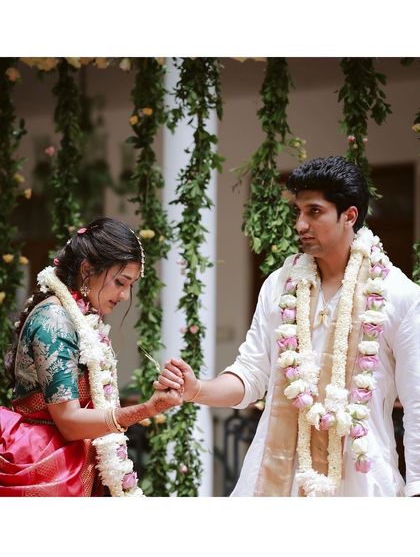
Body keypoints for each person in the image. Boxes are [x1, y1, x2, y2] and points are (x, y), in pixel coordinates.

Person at [156, 156, 420, 497]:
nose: (300, 224)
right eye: (297, 211)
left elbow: (416, 402)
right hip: (276, 479)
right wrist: (196, 390)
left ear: (349, 215)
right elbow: (252, 373)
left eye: (314, 211)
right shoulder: (280, 286)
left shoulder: (397, 295)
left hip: (361, 482)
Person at [0, 217, 182, 497]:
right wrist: (148, 409)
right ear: (87, 269)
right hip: (44, 462)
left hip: (70, 457)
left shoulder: (81, 315)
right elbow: (70, 422)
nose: (124, 295)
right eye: (120, 282)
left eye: (131, 285)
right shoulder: (55, 320)